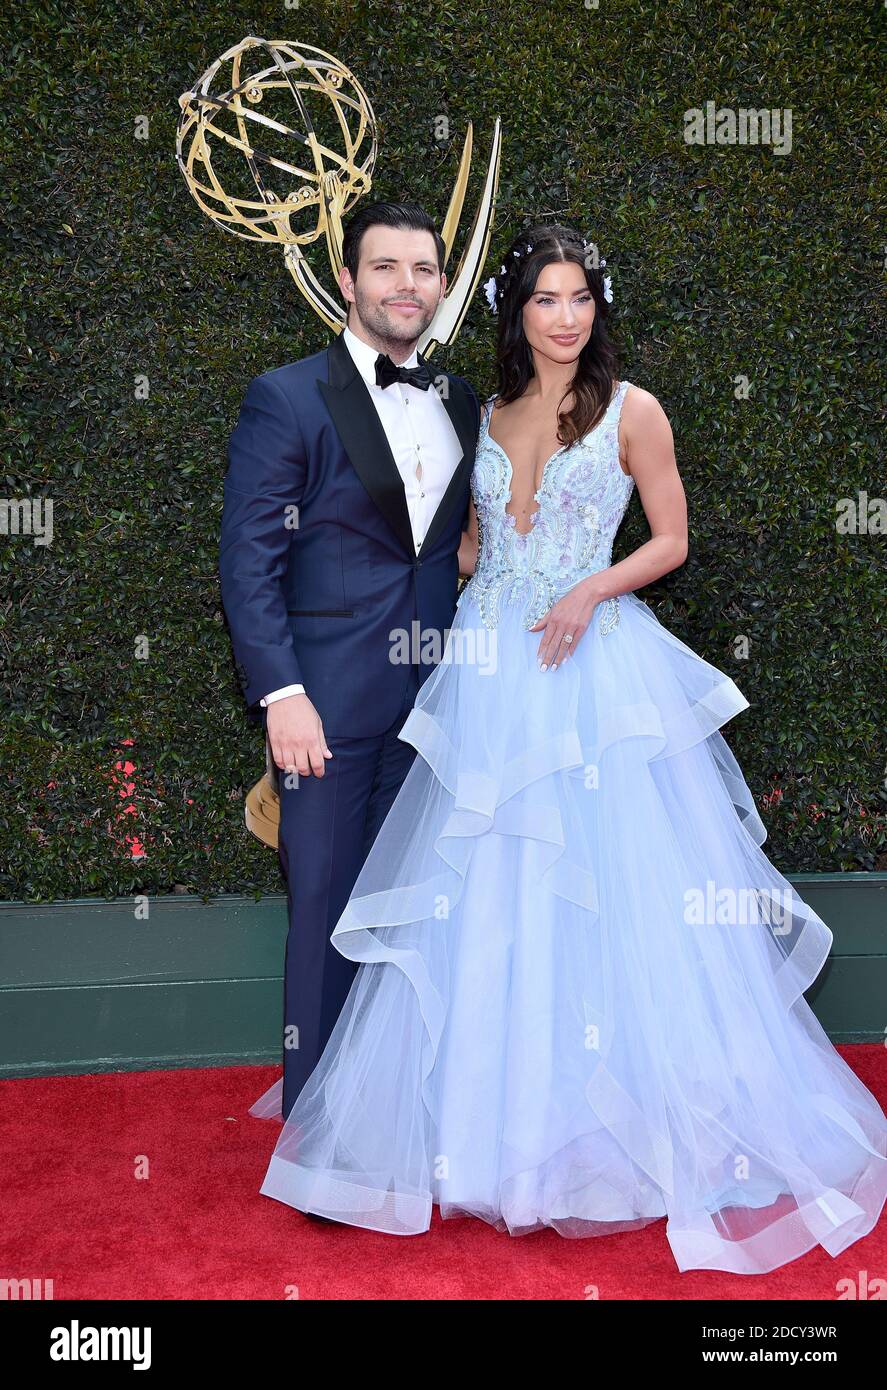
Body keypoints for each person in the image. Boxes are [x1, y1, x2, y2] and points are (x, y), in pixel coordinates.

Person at [248, 222, 887, 1274]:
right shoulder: (482, 413)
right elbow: (459, 544)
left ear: (597, 308)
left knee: (607, 893)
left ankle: (615, 1137)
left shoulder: (634, 411)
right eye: (543, 298)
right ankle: (482, 1137)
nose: (563, 315)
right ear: (517, 311)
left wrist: (592, 583)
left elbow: (671, 538)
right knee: (486, 888)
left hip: (591, 663)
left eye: (578, 298)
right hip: (489, 670)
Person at [220, 202, 480, 1121]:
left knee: (412, 903)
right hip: (325, 704)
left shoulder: (460, 400)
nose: (405, 287)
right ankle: (320, 1125)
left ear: (443, 286)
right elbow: (247, 561)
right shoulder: (287, 396)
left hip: (441, 700)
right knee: (327, 907)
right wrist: (281, 694)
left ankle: (398, 1106)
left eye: (422, 270)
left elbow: (449, 547)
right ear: (347, 281)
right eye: (385, 269)